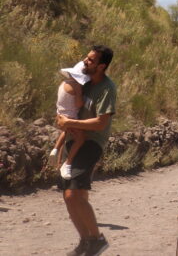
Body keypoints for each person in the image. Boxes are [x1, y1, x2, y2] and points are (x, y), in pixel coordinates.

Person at [55, 45, 116, 256]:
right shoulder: (84, 82)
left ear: (102, 66)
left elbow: (101, 123)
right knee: (72, 195)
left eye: (91, 60)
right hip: (74, 140)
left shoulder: (107, 88)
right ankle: (86, 241)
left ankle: (96, 239)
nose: (85, 62)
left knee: (73, 195)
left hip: (92, 142)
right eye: (86, 58)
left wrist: (70, 121)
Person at [50, 61, 88, 174]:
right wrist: (82, 97)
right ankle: (68, 163)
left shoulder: (63, 83)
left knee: (66, 133)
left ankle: (55, 150)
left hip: (60, 115)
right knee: (80, 139)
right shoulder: (76, 86)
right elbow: (78, 104)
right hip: (70, 118)